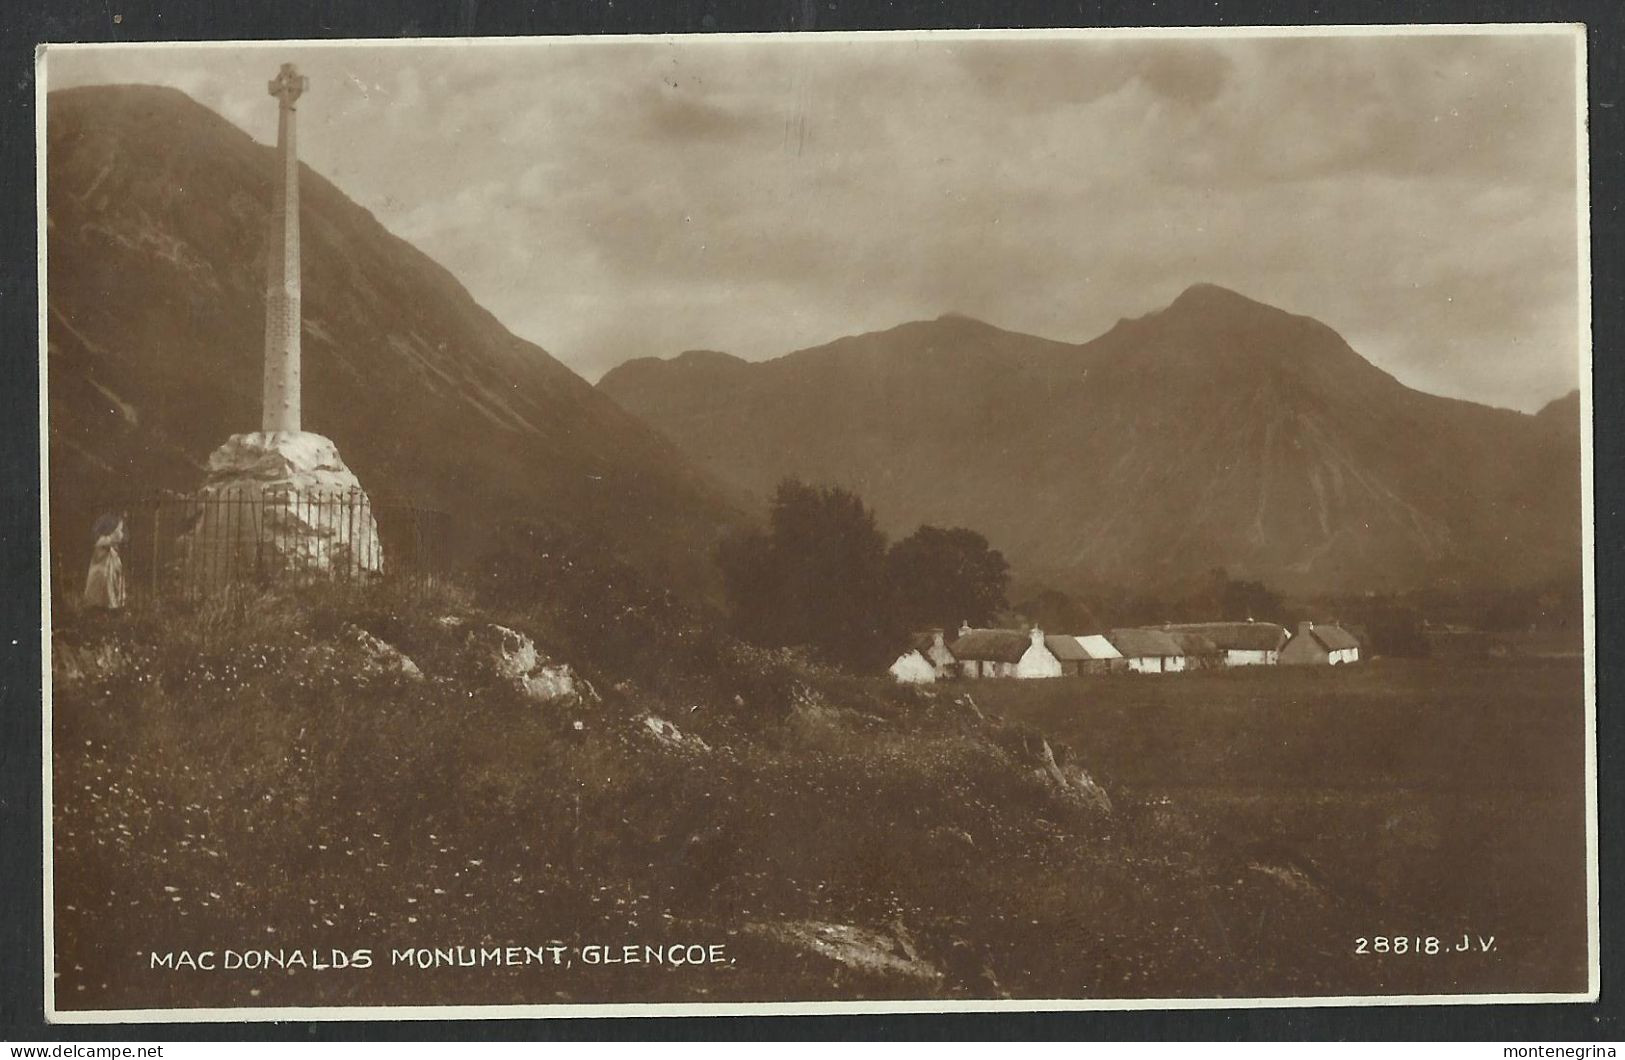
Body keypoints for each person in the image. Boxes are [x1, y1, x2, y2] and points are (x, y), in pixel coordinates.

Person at [83, 512, 127, 610]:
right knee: (104, 580)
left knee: (114, 579)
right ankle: (103, 603)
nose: (121, 533)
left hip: (110, 565)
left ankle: (113, 602)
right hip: (102, 569)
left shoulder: (112, 547)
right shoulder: (103, 542)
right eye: (118, 530)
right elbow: (98, 558)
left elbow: (121, 538)